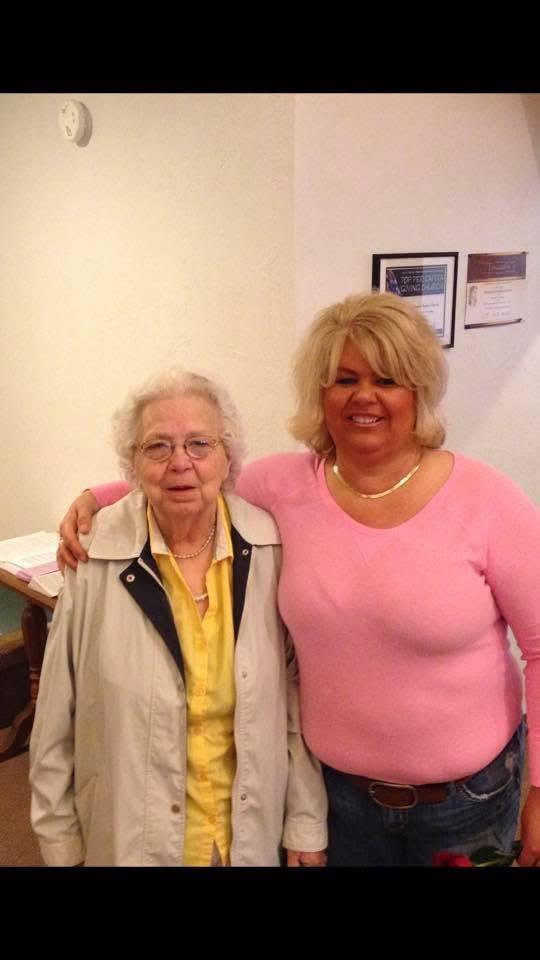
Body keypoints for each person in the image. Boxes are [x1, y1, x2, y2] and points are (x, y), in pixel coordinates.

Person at [57, 291, 540, 867]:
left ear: (418, 390)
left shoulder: (488, 500)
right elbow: (197, 480)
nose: (364, 396)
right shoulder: (283, 489)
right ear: (321, 395)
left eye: (387, 378)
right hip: (336, 799)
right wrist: (96, 498)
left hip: (467, 804)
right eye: (343, 380)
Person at [29, 369, 327, 867]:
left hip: (244, 835)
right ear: (133, 463)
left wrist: (305, 823)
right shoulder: (96, 553)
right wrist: (61, 846)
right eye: (158, 447)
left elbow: (294, 706)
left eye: (199, 444)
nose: (180, 463)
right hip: (133, 836)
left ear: (227, 456)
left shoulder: (268, 547)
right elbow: (57, 716)